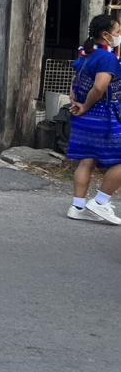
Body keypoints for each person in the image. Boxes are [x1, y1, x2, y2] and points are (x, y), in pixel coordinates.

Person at [66, 14, 121, 224]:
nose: (119, 36)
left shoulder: (86, 54)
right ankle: (100, 202)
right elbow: (100, 87)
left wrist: (77, 102)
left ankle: (77, 206)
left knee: (87, 160)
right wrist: (87, 104)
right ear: (106, 35)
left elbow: (75, 82)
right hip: (103, 116)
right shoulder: (107, 58)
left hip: (83, 117)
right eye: (117, 32)